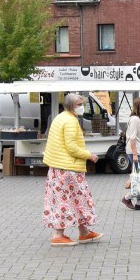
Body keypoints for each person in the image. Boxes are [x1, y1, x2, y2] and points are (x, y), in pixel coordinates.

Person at [42, 93, 102, 247]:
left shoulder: (61, 117)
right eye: (79, 104)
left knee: (75, 200)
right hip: (68, 169)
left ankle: (84, 232)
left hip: (59, 167)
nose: (82, 107)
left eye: (82, 104)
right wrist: (89, 155)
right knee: (68, 201)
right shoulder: (70, 121)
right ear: (70, 105)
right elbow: (71, 147)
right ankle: (58, 235)